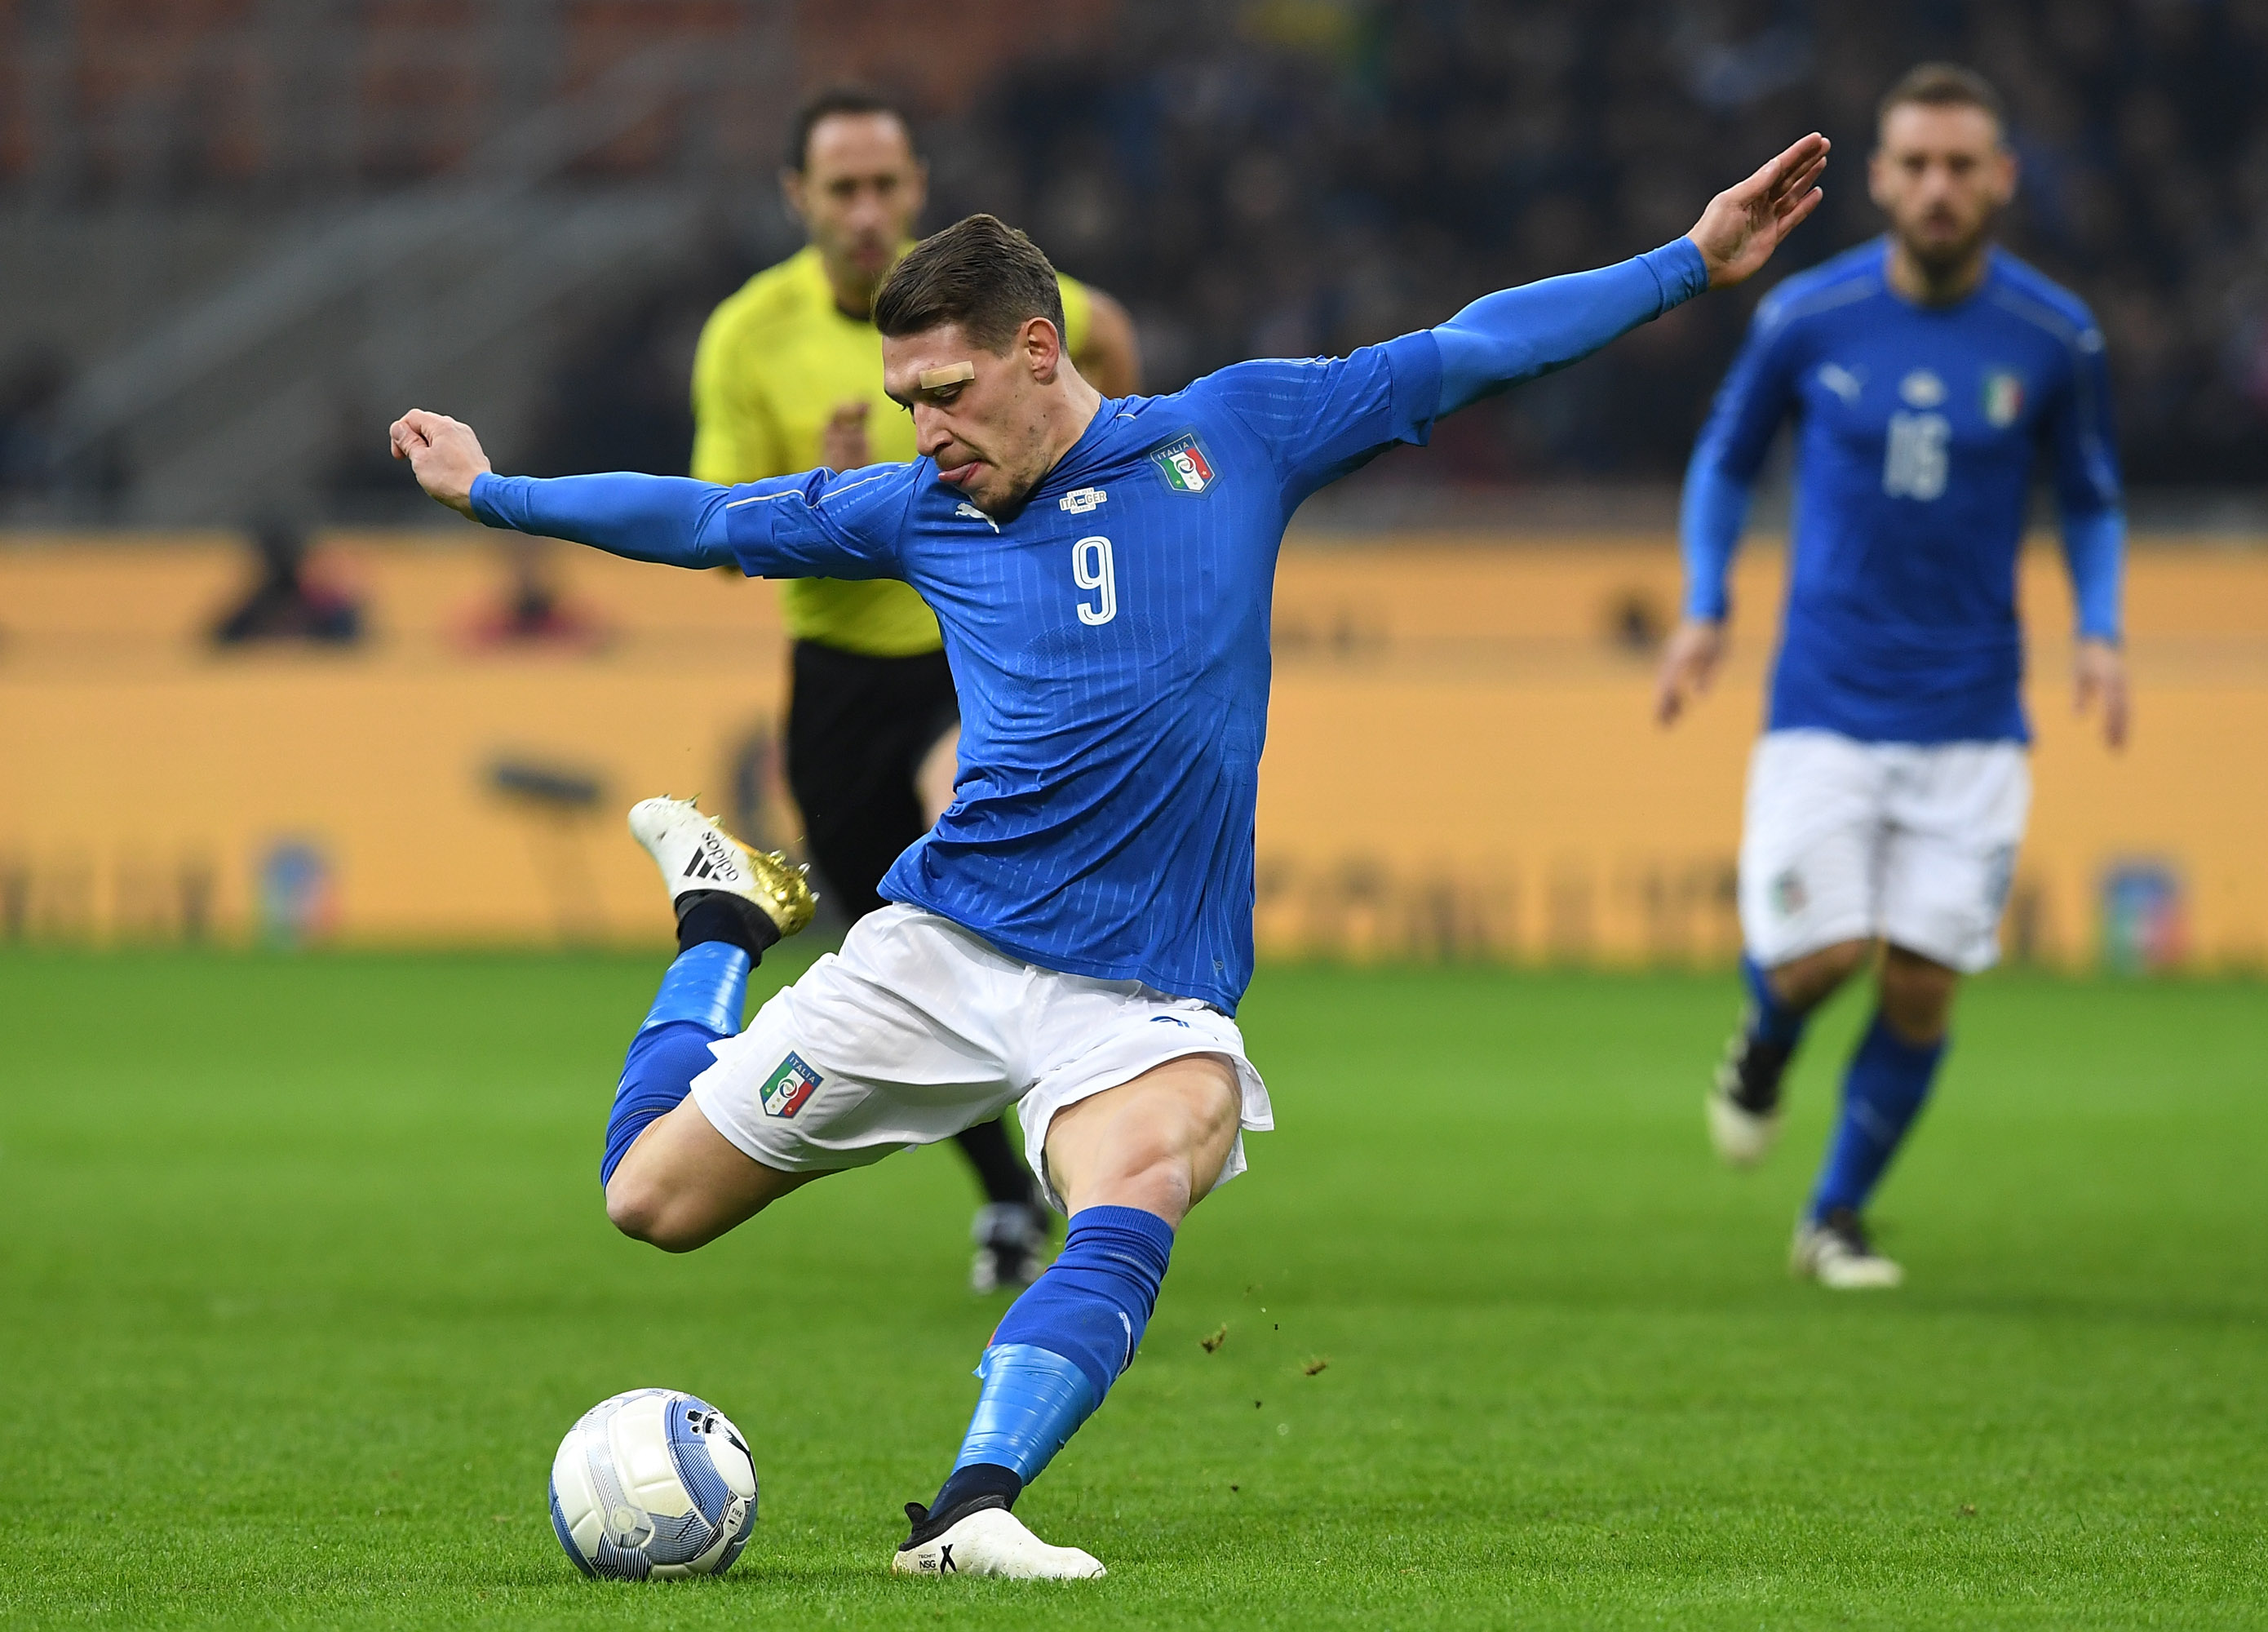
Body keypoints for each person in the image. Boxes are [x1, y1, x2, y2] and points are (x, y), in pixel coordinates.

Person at [390, 130, 1827, 1578]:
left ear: (1038, 348)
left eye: (947, 393)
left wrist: (1686, 263)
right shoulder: (919, 512)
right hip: (943, 952)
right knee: (649, 1201)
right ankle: (720, 923)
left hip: (1137, 992)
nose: (925, 433)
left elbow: (1471, 352)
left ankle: (970, 1510)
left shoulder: (1235, 436)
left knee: (1148, 1166)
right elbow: (707, 516)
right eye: (905, 403)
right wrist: (494, 492)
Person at [1657, 64, 2128, 1290]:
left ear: (2003, 179)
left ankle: (1834, 1217)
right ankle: (1766, 1042)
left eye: (1961, 165)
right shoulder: (1807, 317)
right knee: (1821, 959)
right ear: (1877, 177)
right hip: (1825, 702)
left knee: (1922, 984)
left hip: (1974, 719)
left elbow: (2089, 497)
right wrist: (1705, 603)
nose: (1937, 187)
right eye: (1916, 164)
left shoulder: (2054, 335)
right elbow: (1725, 459)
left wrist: (2101, 630)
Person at [692, 87, 1144, 1293]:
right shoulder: (748, 335)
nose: (866, 210)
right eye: (842, 188)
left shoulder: (978, 307)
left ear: (918, 186)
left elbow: (1107, 340)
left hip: (974, 654)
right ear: (798, 197)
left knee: (983, 873)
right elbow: (722, 528)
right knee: (895, 942)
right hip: (838, 677)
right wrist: (819, 494)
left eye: (885, 185)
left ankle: (1088, 1152)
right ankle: (1006, 1190)